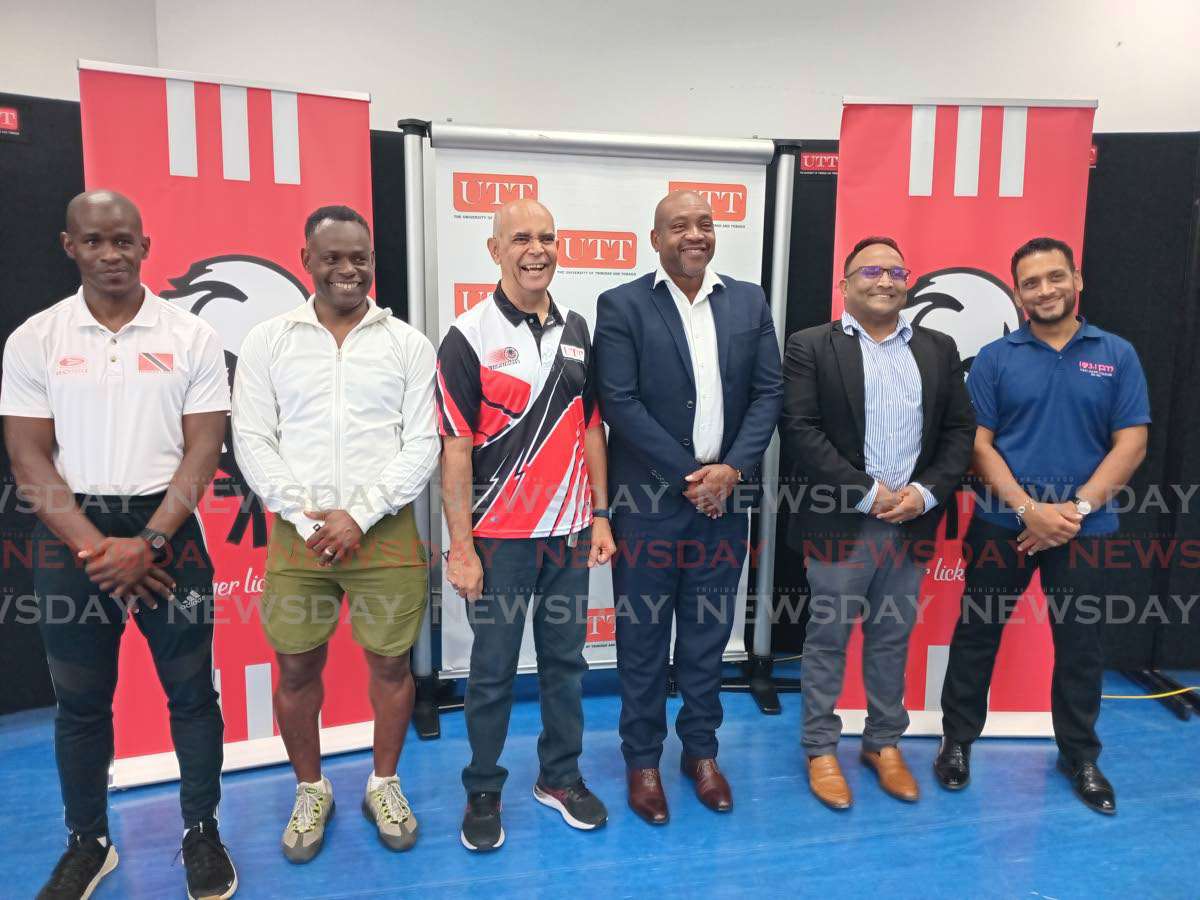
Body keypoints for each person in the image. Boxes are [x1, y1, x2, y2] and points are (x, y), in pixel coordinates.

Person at [1, 190, 237, 900]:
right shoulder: (36, 338)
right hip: (72, 537)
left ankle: (202, 833)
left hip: (168, 529)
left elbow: (205, 448)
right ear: (69, 246)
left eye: (124, 241)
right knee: (79, 705)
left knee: (192, 695)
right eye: (95, 241)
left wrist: (151, 540)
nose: (111, 254)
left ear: (144, 246)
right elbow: (28, 459)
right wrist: (97, 550)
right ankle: (89, 843)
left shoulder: (190, 336)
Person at [232, 206, 438, 860]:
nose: (348, 270)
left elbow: (423, 442)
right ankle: (310, 789)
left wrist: (362, 514)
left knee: (391, 663)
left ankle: (384, 783)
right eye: (333, 258)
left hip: (386, 531)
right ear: (306, 261)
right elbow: (253, 438)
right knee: (296, 665)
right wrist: (305, 516)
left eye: (359, 258)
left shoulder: (407, 344)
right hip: (301, 534)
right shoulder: (269, 341)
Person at [935, 237, 1150, 815]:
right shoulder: (996, 358)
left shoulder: (1117, 354)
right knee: (977, 635)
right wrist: (1029, 510)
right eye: (1031, 283)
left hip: (1087, 529)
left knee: (1081, 646)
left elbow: (1131, 442)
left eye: (1055, 277)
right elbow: (978, 444)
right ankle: (957, 741)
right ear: (1017, 294)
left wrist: (1072, 512)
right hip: (1002, 524)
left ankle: (1079, 756)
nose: (1045, 290)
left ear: (1077, 280)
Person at [593, 190, 782, 824]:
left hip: (724, 506)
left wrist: (731, 472)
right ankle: (643, 760)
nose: (694, 235)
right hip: (649, 505)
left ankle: (701, 753)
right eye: (679, 226)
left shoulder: (749, 301)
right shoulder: (622, 305)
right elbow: (619, 403)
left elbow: (769, 394)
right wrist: (690, 478)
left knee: (707, 638)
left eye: (705, 224)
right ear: (656, 239)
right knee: (643, 641)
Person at [436, 198, 615, 852]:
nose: (536, 250)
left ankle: (559, 777)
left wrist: (600, 514)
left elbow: (591, 428)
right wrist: (462, 547)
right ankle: (484, 789)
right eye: (520, 239)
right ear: (495, 250)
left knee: (566, 665)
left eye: (546, 237)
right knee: (492, 672)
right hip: (499, 542)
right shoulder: (467, 336)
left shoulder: (577, 329)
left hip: (568, 535)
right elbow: (455, 449)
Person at [780, 235, 974, 810]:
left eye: (896, 271)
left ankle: (883, 743)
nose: (885, 280)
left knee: (891, 639)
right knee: (828, 640)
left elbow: (959, 431)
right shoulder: (811, 346)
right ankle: (820, 748)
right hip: (842, 523)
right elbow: (800, 429)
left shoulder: (938, 347)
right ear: (844, 284)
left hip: (912, 523)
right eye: (871, 271)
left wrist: (924, 494)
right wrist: (867, 494)